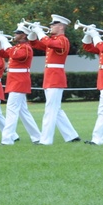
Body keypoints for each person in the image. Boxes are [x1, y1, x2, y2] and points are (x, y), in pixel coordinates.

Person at [28, 15, 80, 145]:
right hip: (50, 77)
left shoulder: (63, 40)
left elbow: (48, 43)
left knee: (50, 109)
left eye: (54, 24)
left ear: (61, 26)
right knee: (55, 109)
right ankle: (71, 135)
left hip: (55, 77)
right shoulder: (54, 40)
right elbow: (34, 43)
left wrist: (40, 31)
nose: (50, 26)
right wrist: (33, 32)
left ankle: (46, 140)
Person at [0, 26, 41, 145]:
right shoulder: (18, 47)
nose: (15, 35)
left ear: (24, 35)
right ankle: (37, 137)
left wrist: (4, 41)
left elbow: (15, 55)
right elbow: (1, 52)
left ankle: (7, 139)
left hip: (19, 82)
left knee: (11, 110)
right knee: (23, 112)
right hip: (15, 81)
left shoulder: (26, 48)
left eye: (18, 33)